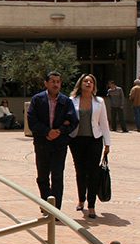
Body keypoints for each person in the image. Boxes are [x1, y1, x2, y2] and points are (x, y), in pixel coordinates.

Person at [26, 71, 78, 209]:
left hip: (59, 145)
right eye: (53, 81)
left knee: (57, 177)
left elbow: (73, 121)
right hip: (42, 143)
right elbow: (32, 121)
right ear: (46, 83)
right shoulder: (37, 100)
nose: (56, 84)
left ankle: (55, 210)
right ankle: (46, 203)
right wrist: (47, 132)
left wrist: (60, 131)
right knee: (42, 177)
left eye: (58, 82)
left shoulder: (66, 101)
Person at [69, 74, 112, 219]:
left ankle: (91, 205)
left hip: (95, 139)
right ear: (80, 84)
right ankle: (81, 199)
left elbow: (104, 123)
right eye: (85, 81)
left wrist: (108, 143)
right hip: (76, 140)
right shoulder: (72, 100)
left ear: (94, 86)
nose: (88, 83)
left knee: (93, 172)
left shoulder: (99, 101)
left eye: (91, 82)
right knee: (80, 171)